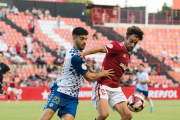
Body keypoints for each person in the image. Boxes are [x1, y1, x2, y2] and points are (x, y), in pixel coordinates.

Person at [38, 27, 114, 120]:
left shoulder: (77, 52)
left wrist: (85, 66)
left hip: (72, 97)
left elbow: (74, 66)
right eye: (82, 38)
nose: (84, 41)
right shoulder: (76, 56)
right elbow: (89, 77)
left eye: (86, 39)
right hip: (60, 92)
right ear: (74, 38)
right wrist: (103, 73)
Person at [78, 26, 144, 120]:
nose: (132, 45)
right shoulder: (118, 46)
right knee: (103, 114)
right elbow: (101, 49)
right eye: (131, 41)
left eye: (135, 43)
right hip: (103, 85)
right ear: (126, 38)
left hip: (116, 88)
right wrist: (84, 53)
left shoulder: (127, 54)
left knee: (127, 115)